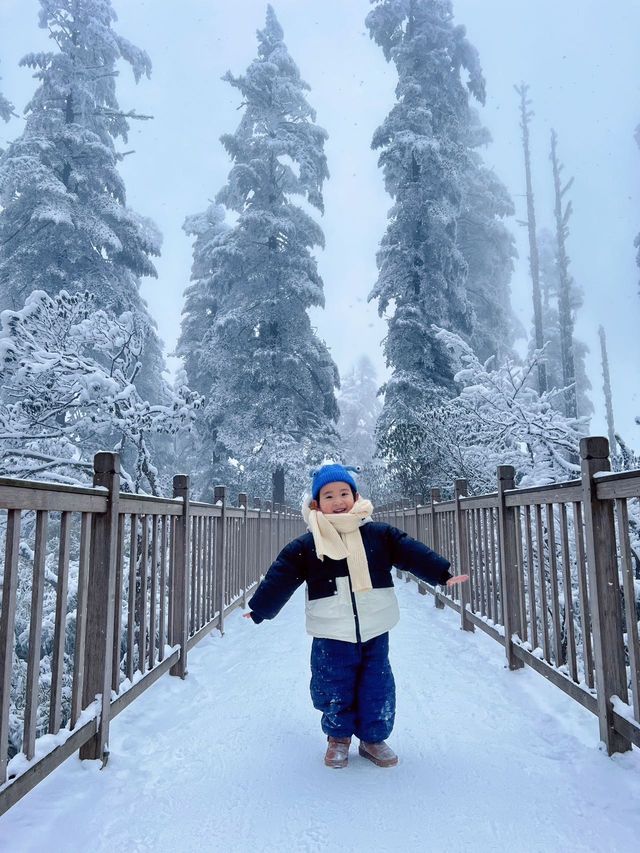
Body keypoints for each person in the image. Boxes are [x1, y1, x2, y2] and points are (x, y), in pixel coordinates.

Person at [243, 463, 468, 769]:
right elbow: (282, 575)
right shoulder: (308, 545)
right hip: (331, 630)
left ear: (355, 495)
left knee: (377, 683)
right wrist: (260, 609)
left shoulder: (379, 535)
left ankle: (373, 738)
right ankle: (338, 738)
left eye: (344, 493)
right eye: (329, 496)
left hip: (375, 624)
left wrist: (441, 573)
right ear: (316, 504)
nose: (338, 501)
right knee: (333, 684)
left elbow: (409, 551)